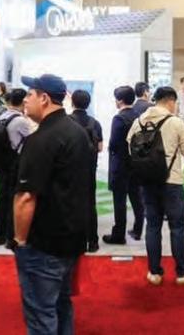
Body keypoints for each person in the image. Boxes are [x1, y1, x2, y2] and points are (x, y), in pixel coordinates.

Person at [12, 74, 92, 335]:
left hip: (44, 243)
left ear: (44, 98)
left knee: (41, 314)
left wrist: (20, 240)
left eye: (30, 94)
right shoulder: (78, 133)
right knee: (61, 305)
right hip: (71, 238)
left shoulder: (41, 140)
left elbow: (26, 197)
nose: (25, 99)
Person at [126, 86, 184, 285]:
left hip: (147, 181)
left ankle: (154, 272)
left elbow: (130, 146)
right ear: (171, 101)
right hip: (171, 181)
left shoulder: (138, 122)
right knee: (177, 226)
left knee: (152, 225)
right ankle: (183, 272)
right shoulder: (175, 122)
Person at [0, 89, 33, 247]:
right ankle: (11, 236)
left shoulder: (1, 116)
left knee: (3, 198)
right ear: (23, 102)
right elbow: (32, 140)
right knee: (14, 199)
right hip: (14, 163)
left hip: (0, 162)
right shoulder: (20, 121)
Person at [105, 86, 144, 244]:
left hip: (121, 164)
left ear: (120, 100)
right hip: (137, 163)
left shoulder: (119, 118)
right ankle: (138, 229)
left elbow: (114, 143)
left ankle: (119, 234)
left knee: (119, 201)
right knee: (137, 198)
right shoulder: (138, 116)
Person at [68, 89, 103, 253]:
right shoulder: (95, 123)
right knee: (90, 204)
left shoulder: (67, 122)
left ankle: (75, 241)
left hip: (70, 171)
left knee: (70, 204)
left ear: (72, 102)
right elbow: (100, 147)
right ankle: (93, 242)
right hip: (89, 170)